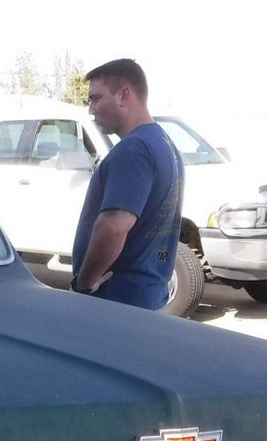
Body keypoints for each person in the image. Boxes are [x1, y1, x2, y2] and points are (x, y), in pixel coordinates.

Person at [69, 59, 185, 310]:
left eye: (96, 98)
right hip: (146, 298)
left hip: (117, 304)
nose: (91, 110)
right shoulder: (163, 143)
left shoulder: (133, 150)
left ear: (123, 95)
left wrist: (84, 283)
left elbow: (114, 227)